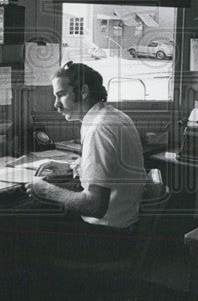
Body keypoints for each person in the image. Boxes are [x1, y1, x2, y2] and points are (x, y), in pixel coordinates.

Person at [23, 61, 147, 257]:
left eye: (61, 95)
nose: (55, 104)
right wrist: (71, 167)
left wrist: (46, 190)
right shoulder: (115, 117)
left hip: (108, 239)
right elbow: (109, 169)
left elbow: (94, 206)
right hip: (125, 229)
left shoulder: (99, 129)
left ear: (83, 92)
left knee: (24, 228)